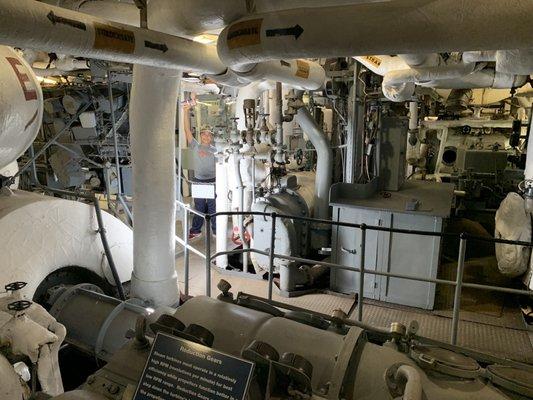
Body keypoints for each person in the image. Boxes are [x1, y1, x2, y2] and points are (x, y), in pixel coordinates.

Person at [183, 102, 217, 239]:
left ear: (212, 137)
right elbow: (186, 131)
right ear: (201, 135)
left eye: (209, 135)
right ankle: (196, 230)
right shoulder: (195, 146)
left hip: (213, 181)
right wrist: (185, 112)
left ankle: (216, 230)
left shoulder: (216, 150)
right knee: (199, 206)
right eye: (204, 134)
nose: (206, 137)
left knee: (214, 207)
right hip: (199, 181)